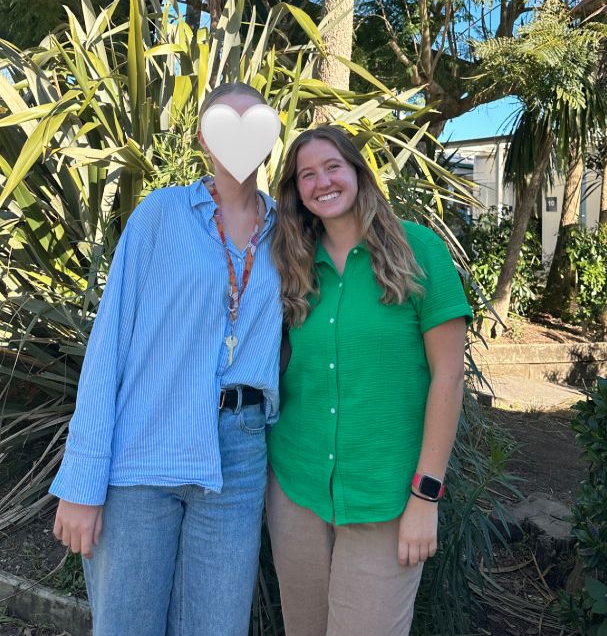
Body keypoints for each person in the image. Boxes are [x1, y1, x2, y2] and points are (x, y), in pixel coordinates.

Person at [50, 82, 282, 636]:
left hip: (238, 460)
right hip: (146, 449)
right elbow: (110, 344)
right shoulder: (160, 215)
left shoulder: (289, 233)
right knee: (126, 624)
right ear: (204, 137)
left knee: (216, 628)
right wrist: (82, 482)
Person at [267, 125, 473, 636]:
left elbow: (448, 377)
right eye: (307, 175)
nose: (322, 182)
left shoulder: (418, 249)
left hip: (387, 497)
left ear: (358, 172)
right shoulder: (292, 265)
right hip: (297, 488)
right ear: (297, 191)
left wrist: (426, 498)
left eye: (333, 167)